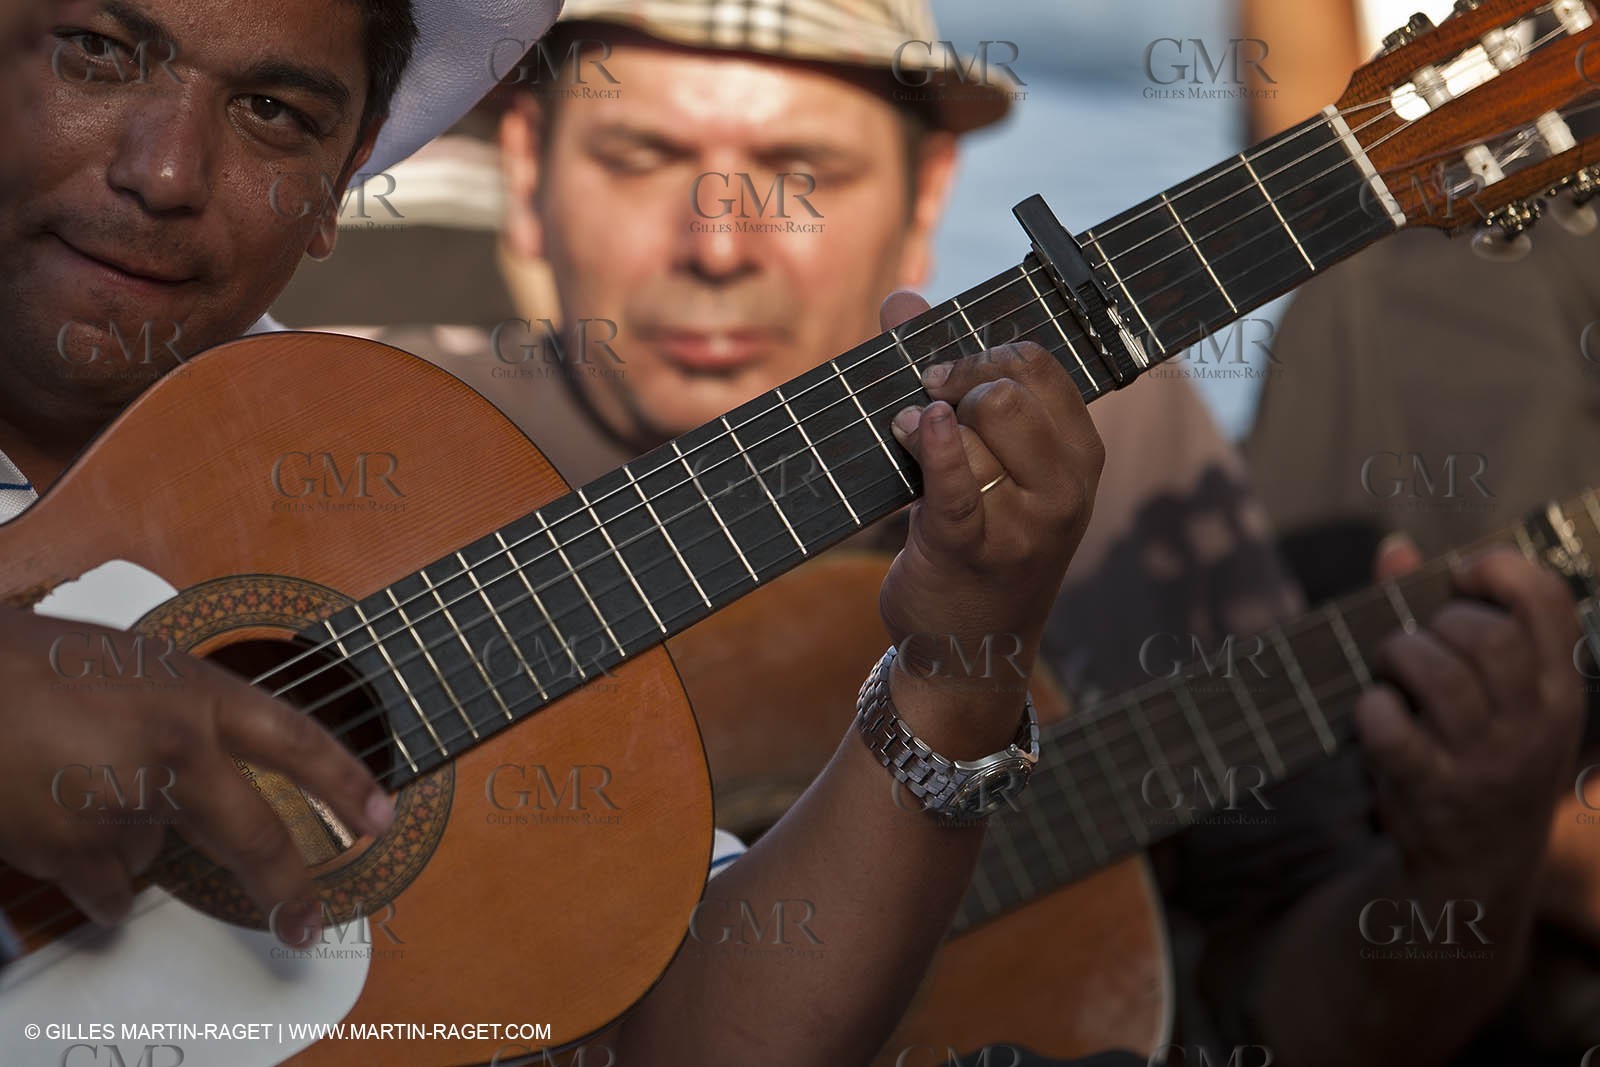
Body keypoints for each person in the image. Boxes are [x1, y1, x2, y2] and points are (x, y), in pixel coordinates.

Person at [0, 2, 1583, 1066]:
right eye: (95, 53)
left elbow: (708, 1036)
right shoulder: (370, 439)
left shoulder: (374, 486)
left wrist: (962, 665)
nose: (165, 172)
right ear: (530, 175)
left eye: (277, 111)